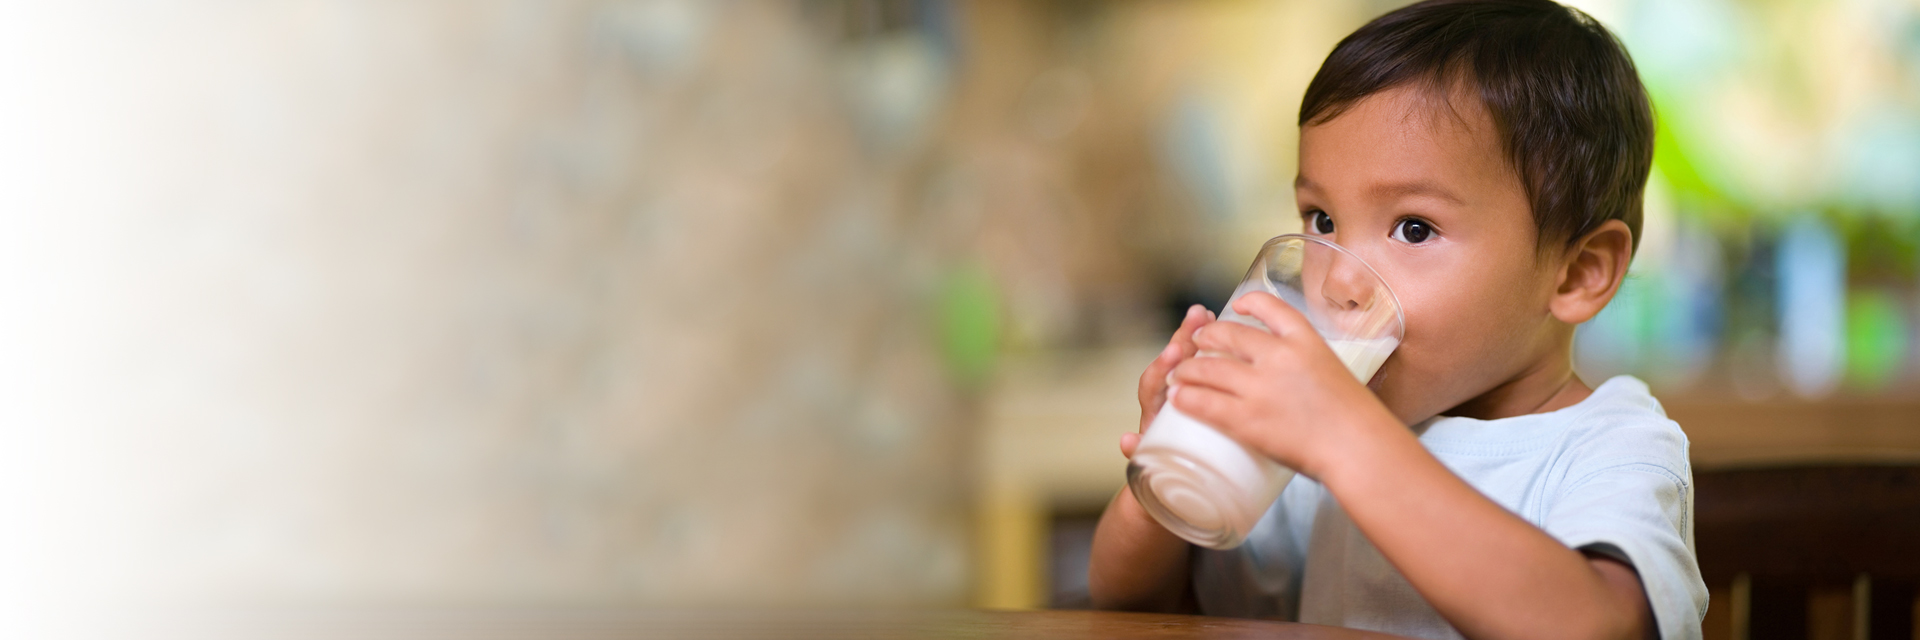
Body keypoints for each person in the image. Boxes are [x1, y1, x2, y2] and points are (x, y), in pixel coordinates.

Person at [1087, 1, 1706, 638]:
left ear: (1577, 273)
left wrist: (1345, 441)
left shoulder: (1610, 448)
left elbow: (1598, 626)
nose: (1338, 278)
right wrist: (1163, 479)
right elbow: (1135, 604)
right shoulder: (1316, 441)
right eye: (1321, 220)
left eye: (1414, 228)